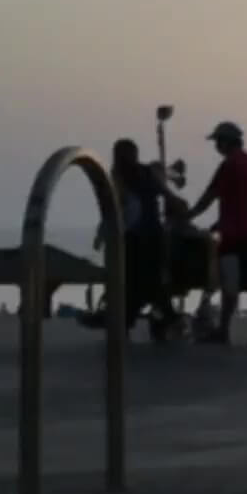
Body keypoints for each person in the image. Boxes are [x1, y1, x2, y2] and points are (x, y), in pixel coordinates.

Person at [180, 120, 247, 344]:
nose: (216, 146)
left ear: (226, 142)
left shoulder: (229, 165)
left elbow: (209, 196)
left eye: (218, 141)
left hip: (236, 236)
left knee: (230, 282)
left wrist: (186, 217)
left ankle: (223, 330)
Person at [105, 138, 176, 341]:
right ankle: (161, 317)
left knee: (136, 280)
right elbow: (166, 194)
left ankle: (139, 320)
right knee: (145, 280)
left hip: (137, 235)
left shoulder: (122, 174)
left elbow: (118, 200)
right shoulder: (143, 173)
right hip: (147, 234)